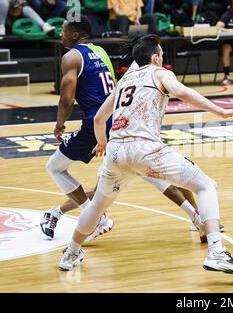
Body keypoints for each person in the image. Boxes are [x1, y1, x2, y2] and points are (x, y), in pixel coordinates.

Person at [58, 34, 233, 274]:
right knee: (206, 186)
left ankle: (70, 254)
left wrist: (102, 143)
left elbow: (99, 118)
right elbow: (184, 93)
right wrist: (220, 110)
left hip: (116, 151)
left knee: (97, 204)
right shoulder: (160, 73)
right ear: (156, 57)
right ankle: (216, 252)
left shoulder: (125, 80)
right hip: (145, 148)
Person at [40, 19, 216, 243]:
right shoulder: (101, 51)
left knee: (57, 168)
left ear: (75, 34)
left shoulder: (72, 57)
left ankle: (93, 221)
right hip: (122, 119)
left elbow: (67, 97)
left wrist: (59, 124)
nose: (60, 33)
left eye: (64, 30)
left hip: (101, 122)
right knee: (150, 172)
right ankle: (198, 217)